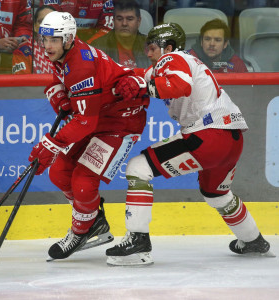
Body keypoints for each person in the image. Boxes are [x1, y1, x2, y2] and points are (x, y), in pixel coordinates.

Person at [105, 23, 273, 266]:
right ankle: (253, 240)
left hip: (208, 136)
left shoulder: (173, 58)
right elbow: (135, 77)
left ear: (168, 47)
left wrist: (140, 86)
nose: (149, 53)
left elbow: (179, 86)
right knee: (216, 194)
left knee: (138, 168)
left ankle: (137, 243)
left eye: (152, 48)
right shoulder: (173, 64)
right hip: (232, 140)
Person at [28, 11, 150, 261]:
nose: (47, 46)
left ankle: (81, 230)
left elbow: (84, 120)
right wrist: (57, 92)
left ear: (69, 38)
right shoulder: (65, 51)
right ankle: (94, 221)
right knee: (59, 174)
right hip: (97, 116)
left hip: (120, 121)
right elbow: (60, 77)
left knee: (83, 183)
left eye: (54, 40)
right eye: (45, 39)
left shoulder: (81, 64)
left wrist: (52, 144)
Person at [91, 0, 151, 69]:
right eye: (119, 19)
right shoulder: (98, 47)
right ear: (113, 20)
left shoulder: (150, 46)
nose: (124, 23)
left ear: (138, 21)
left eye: (129, 19)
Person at [12, 5, 56, 74]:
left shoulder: (67, 49)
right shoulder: (22, 51)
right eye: (41, 21)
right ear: (35, 26)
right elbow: (22, 83)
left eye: (52, 21)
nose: (46, 25)